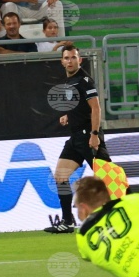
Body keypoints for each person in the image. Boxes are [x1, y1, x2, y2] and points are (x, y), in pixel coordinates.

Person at [46, 43, 111, 234]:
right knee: (60, 176)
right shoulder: (69, 81)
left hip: (88, 136)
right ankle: (67, 221)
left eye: (73, 57)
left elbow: (96, 108)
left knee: (108, 179)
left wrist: (94, 134)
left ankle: (128, 215)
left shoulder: (84, 80)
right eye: (66, 58)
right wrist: (69, 115)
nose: (70, 61)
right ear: (62, 61)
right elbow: (80, 106)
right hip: (75, 138)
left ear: (79, 60)